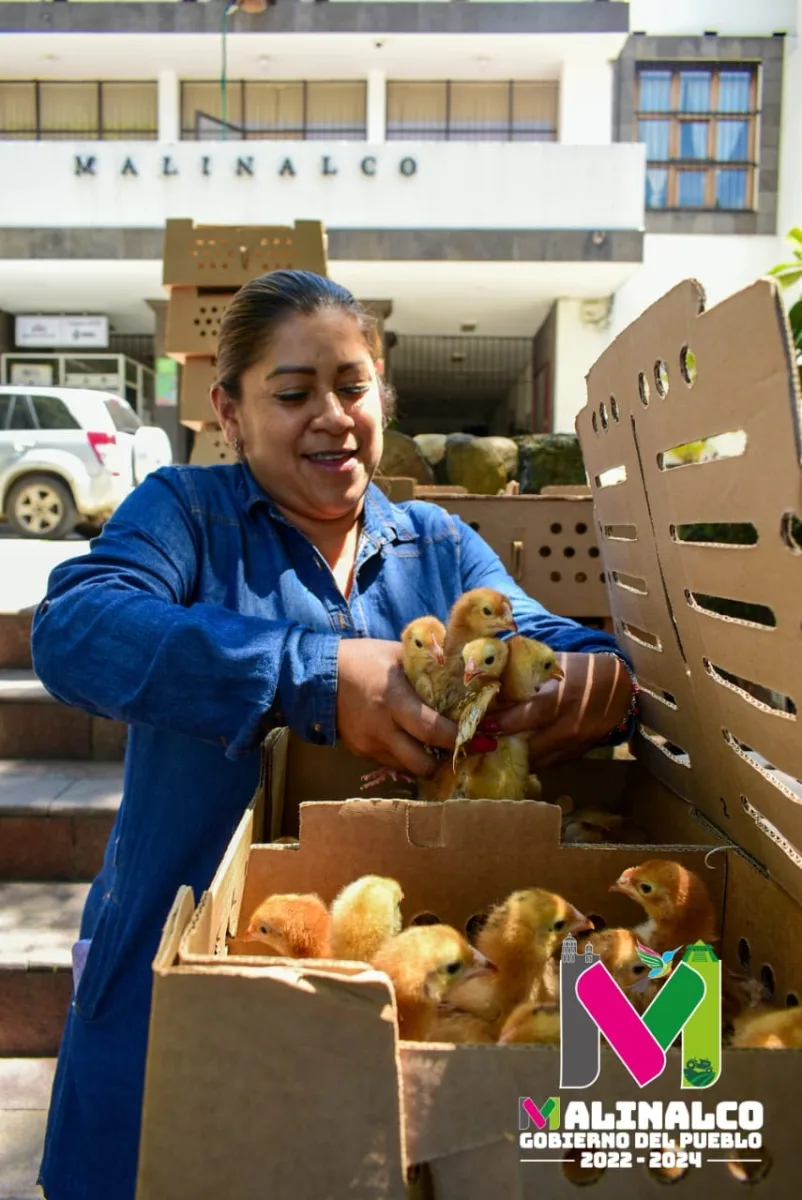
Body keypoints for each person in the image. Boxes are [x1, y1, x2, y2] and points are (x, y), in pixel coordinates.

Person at [31, 270, 637, 1200]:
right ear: (229, 413)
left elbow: (538, 634)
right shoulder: (187, 515)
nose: (332, 415)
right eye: (293, 392)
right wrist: (309, 671)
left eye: (352, 387)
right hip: (181, 960)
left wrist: (591, 678)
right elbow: (74, 631)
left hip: (382, 991)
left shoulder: (437, 546)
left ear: (382, 395)